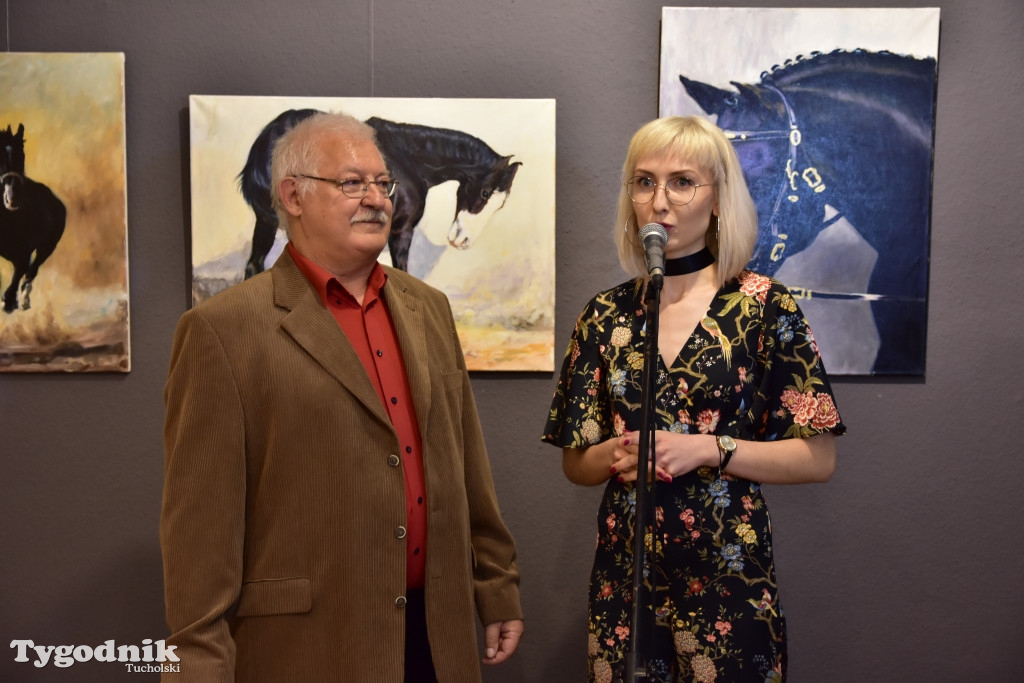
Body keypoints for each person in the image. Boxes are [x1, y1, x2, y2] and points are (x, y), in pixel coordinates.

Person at [161, 111, 523, 682]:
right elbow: (199, 531)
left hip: (437, 635)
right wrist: (196, 667)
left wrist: (496, 586)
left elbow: (467, 467)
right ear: (293, 196)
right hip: (308, 648)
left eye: (382, 182)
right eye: (352, 183)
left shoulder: (430, 308)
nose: (377, 199)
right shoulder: (221, 329)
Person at [542, 116, 845, 683]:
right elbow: (576, 464)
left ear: (719, 199)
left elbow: (818, 458)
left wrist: (708, 449)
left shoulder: (765, 307)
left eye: (682, 182)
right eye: (644, 182)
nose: (660, 201)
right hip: (625, 584)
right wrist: (622, 452)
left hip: (731, 583)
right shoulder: (604, 315)